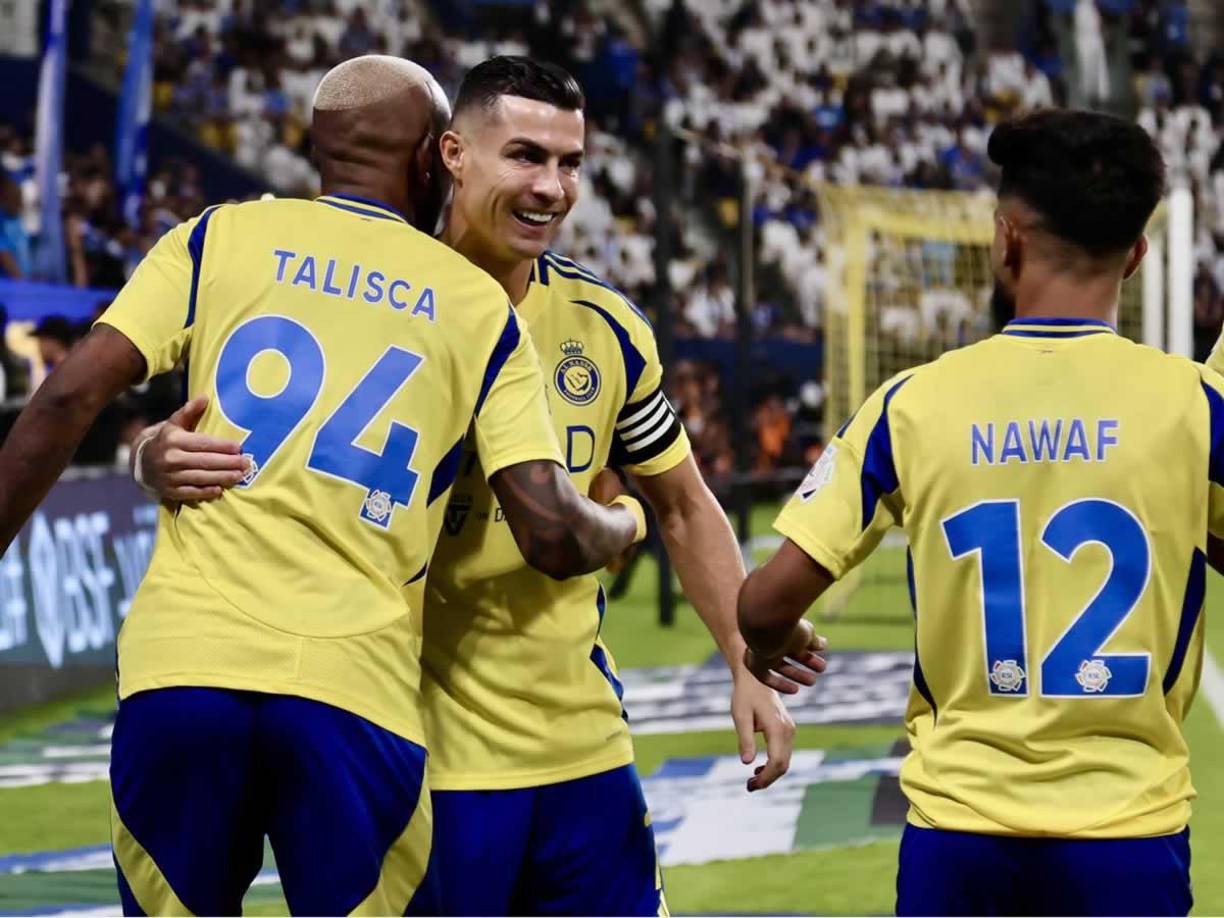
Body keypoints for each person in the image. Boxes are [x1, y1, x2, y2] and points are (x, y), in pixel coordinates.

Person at [135, 56, 799, 917]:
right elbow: (240, 422)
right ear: (451, 155)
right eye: (525, 156)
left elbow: (681, 499)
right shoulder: (354, 289)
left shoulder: (606, 329)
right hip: (426, 756)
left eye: (570, 164)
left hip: (583, 751)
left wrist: (747, 661)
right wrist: (151, 451)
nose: (551, 188)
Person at [0, 55, 643, 916]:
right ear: (432, 160)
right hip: (351, 691)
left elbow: (66, 397)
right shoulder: (474, 302)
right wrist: (624, 523)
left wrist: (146, 454)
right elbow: (551, 532)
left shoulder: (216, 237)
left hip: (182, 672)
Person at [738, 108, 1211, 917]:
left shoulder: (911, 404)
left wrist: (777, 637)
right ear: (1136, 254)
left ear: (1006, 239)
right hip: (1129, 831)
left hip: (961, 834)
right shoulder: (1198, 407)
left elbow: (764, 602)